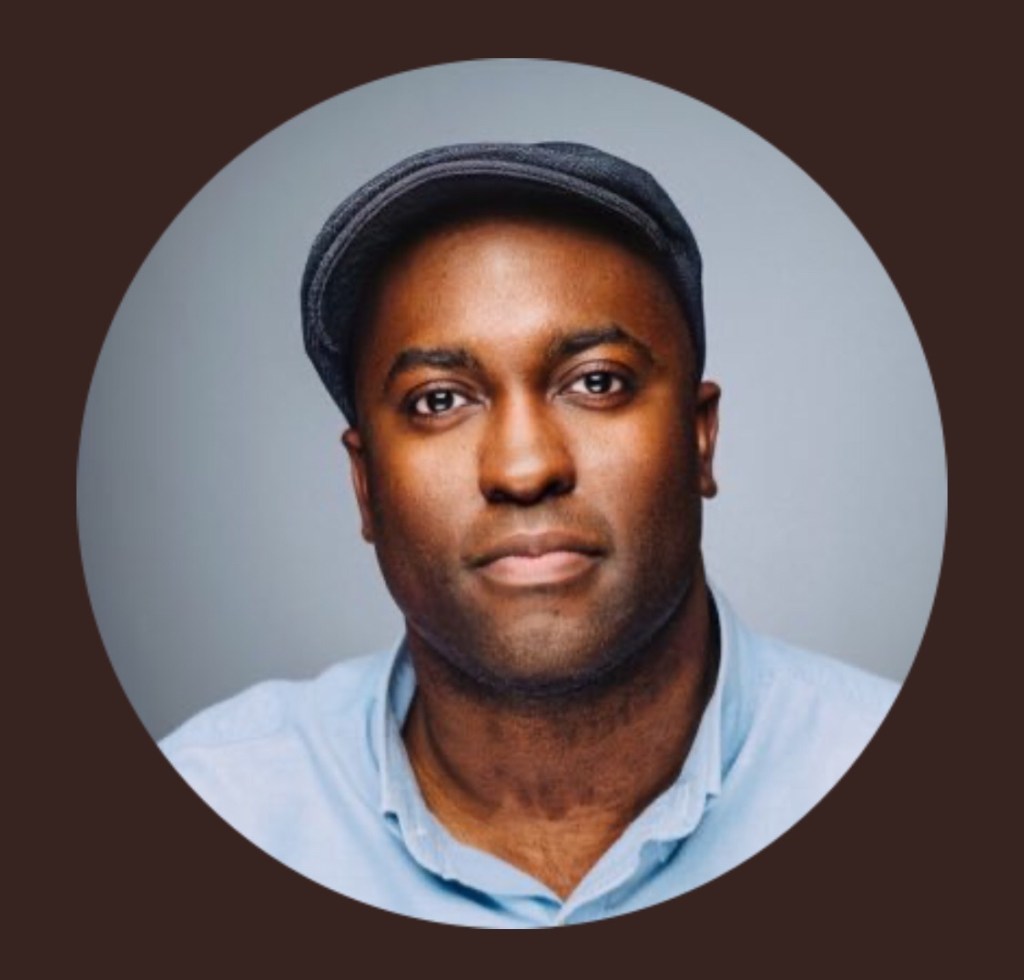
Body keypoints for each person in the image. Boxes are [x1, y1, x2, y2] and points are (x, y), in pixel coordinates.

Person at [161, 142, 898, 927]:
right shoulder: (221, 804)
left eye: (596, 382)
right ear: (366, 484)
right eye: (439, 400)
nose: (524, 468)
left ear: (700, 437)